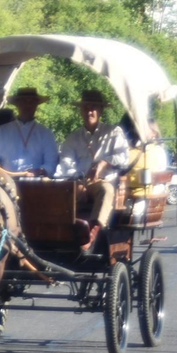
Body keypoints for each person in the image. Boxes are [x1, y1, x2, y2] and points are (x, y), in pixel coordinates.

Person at [57, 89, 130, 252]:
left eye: (94, 107)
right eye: (86, 107)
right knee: (60, 191)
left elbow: (124, 158)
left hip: (103, 182)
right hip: (79, 182)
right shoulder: (73, 137)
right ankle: (61, 234)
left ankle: (92, 232)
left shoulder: (113, 133)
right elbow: (65, 163)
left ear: (101, 110)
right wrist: (78, 180)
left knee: (105, 189)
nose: (89, 111)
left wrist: (105, 162)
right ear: (81, 111)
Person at [0, 87, 58, 176]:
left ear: (36, 105)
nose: (27, 105)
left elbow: (51, 163)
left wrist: (39, 171)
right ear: (17, 104)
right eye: (23, 101)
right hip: (6, 183)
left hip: (35, 184)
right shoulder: (1, 131)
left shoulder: (46, 133)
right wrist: (2, 173)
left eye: (31, 102)